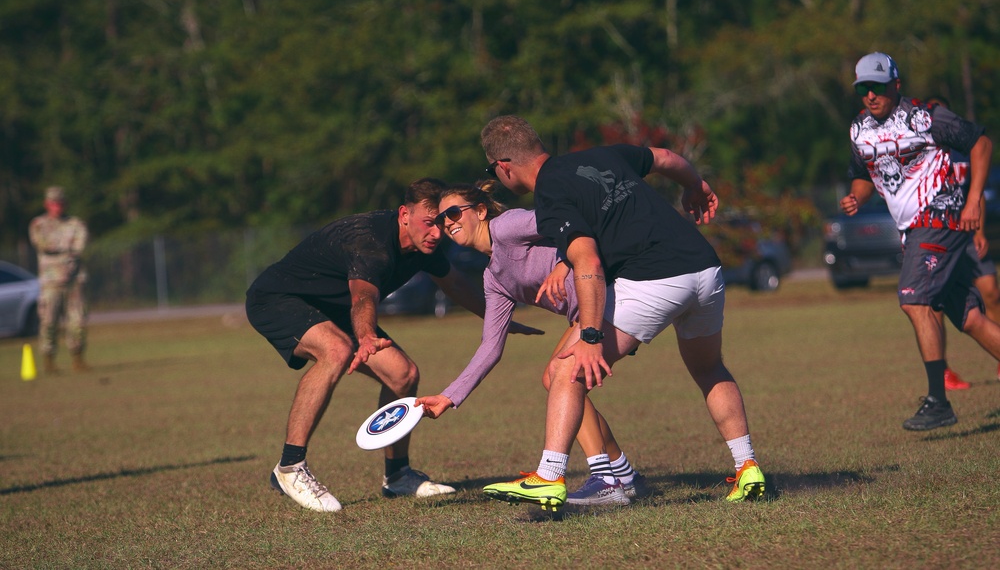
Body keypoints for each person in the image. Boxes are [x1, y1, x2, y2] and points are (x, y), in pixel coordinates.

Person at [474, 116, 766, 510]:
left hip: (654, 281)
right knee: (710, 368)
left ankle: (549, 475)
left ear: (503, 167)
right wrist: (695, 186)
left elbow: (588, 261)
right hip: (705, 269)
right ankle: (746, 466)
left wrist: (591, 337)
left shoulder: (550, 193)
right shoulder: (601, 154)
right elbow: (665, 158)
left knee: (565, 370)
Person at [246, 178, 541, 513]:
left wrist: (498, 318)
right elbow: (362, 297)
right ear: (404, 214)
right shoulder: (371, 241)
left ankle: (398, 476)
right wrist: (367, 335)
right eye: (429, 223)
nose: (436, 233)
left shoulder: (426, 246)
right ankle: (290, 467)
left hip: (331, 307)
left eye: (442, 223)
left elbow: (455, 283)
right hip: (277, 298)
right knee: (337, 350)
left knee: (403, 375)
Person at [413, 181, 648, 506]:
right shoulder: (493, 279)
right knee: (557, 379)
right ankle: (624, 476)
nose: (448, 223)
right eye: (441, 220)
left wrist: (566, 262)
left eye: (453, 213)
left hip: (612, 297)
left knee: (559, 376)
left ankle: (607, 480)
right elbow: (490, 348)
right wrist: (448, 397)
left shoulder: (508, 226)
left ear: (479, 211)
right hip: (589, 314)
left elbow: (572, 222)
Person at [839, 52, 1000, 431]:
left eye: (877, 87)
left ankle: (938, 401)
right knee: (969, 317)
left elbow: (981, 144)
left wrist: (974, 198)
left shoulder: (924, 116)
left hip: (940, 216)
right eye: (864, 89)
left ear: (896, 84)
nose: (870, 95)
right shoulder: (859, 130)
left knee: (914, 300)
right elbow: (864, 174)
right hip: (915, 228)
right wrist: (856, 197)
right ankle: (939, 397)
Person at [926, 95, 1000, 389]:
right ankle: (943, 371)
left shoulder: (963, 148)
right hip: (939, 237)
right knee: (936, 304)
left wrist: (980, 232)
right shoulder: (921, 150)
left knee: (991, 291)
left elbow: (977, 191)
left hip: (968, 233)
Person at [28, 186, 89, 374]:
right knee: (49, 323)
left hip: (74, 281)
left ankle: (78, 360)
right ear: (47, 204)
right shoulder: (38, 224)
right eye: (53, 203)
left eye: (60, 203)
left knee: (77, 322)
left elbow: (80, 246)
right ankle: (49, 363)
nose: (57, 206)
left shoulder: (75, 224)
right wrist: (66, 249)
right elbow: (44, 245)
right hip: (50, 283)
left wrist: (62, 251)